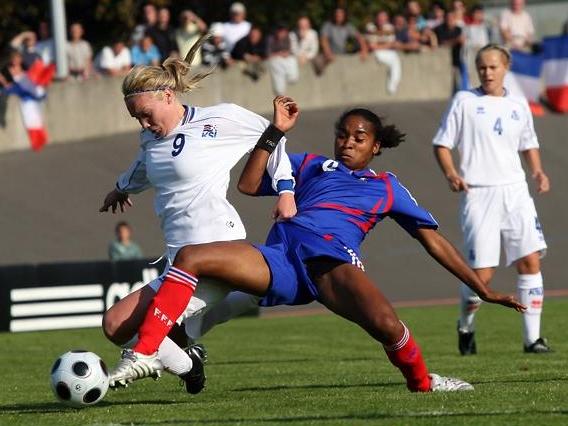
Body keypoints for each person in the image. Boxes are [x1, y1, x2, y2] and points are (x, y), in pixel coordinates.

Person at [107, 94, 526, 393]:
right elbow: (250, 183)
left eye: (359, 138)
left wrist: (482, 289)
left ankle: (423, 383)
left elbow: (433, 241)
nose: (347, 142)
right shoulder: (313, 166)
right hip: (279, 259)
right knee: (192, 256)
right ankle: (151, 349)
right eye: (343, 135)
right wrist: (272, 134)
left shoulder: (387, 188)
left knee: (386, 326)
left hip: (331, 262)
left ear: (376, 147)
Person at [98, 35, 295, 392]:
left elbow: (273, 136)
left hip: (219, 246)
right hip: (180, 264)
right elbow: (144, 167)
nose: (143, 124)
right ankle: (191, 364)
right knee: (115, 325)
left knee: (152, 333)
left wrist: (285, 189)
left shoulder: (221, 119)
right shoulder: (150, 140)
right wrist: (121, 189)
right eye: (136, 118)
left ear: (169, 97)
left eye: (146, 114)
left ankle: (148, 355)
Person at [432, 44, 551, 355]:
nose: (487, 72)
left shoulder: (518, 102)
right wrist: (451, 174)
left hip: (515, 191)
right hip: (479, 193)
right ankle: (465, 326)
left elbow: (529, 143)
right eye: (482, 67)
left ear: (505, 67)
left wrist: (537, 171)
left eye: (493, 66)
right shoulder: (465, 101)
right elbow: (442, 144)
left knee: (530, 261)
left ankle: (532, 339)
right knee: (482, 275)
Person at [364, 12, 402, 95]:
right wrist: (384, 45)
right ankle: (391, 86)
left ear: (386, 19)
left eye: (383, 18)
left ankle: (392, 85)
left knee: (395, 59)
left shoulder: (389, 27)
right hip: (376, 53)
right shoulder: (370, 27)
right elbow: (371, 46)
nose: (380, 20)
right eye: (379, 18)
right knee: (393, 61)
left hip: (387, 51)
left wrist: (380, 45)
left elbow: (392, 44)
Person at [266, 24, 299, 95]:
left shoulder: (290, 37)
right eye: (280, 32)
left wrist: (286, 53)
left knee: (292, 60)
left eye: (284, 32)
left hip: (287, 59)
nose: (282, 34)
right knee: (276, 64)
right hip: (275, 60)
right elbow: (268, 55)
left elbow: (293, 51)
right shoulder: (271, 38)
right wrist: (279, 54)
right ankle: (279, 90)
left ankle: (292, 77)